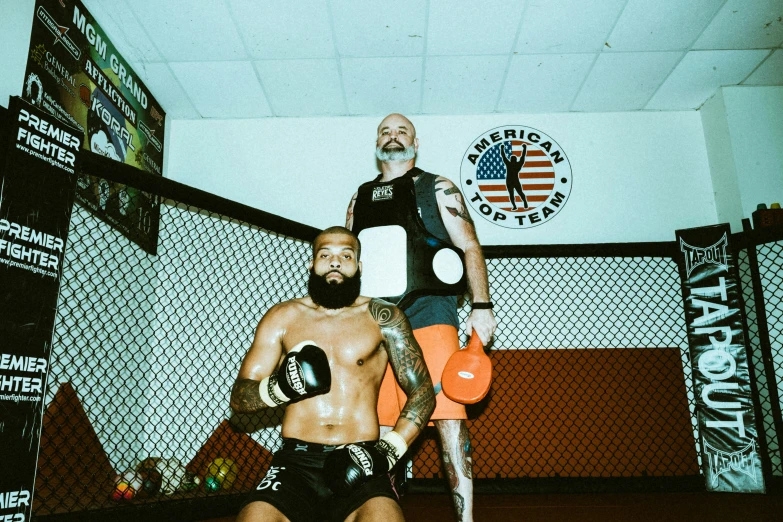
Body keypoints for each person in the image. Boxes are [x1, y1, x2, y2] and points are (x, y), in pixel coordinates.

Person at [345, 114, 498, 522]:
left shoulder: (439, 187)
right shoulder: (359, 198)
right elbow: (349, 261)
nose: (393, 137)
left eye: (402, 131)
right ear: (376, 142)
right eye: (385, 131)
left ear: (416, 141)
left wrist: (482, 307)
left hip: (430, 311)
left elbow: (469, 244)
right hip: (377, 320)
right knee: (380, 425)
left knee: (448, 417)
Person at [230, 226, 436, 522]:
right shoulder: (283, 317)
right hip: (295, 463)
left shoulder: (383, 316)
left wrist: (387, 452)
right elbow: (240, 396)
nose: (335, 262)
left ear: (358, 266)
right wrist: (279, 389)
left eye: (346, 255)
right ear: (312, 264)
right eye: (325, 254)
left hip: (361, 459)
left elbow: (423, 391)